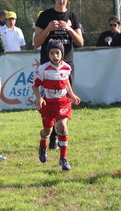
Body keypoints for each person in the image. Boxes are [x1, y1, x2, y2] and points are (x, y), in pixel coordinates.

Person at [34, 0, 83, 150]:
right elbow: (36, 42)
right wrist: (48, 28)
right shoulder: (45, 16)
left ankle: (57, 137)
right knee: (49, 100)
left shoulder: (72, 16)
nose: (61, 0)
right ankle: (48, 133)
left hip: (66, 64)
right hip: (48, 66)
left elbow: (80, 42)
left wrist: (69, 29)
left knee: (63, 100)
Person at [32, 41, 80, 171]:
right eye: (52, 53)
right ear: (48, 54)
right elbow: (35, 85)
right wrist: (39, 98)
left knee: (62, 126)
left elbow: (66, 82)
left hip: (62, 101)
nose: (55, 56)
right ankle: (43, 146)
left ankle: (63, 158)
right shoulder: (43, 69)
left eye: (57, 53)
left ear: (62, 54)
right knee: (47, 130)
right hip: (48, 103)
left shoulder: (66, 67)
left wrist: (72, 94)